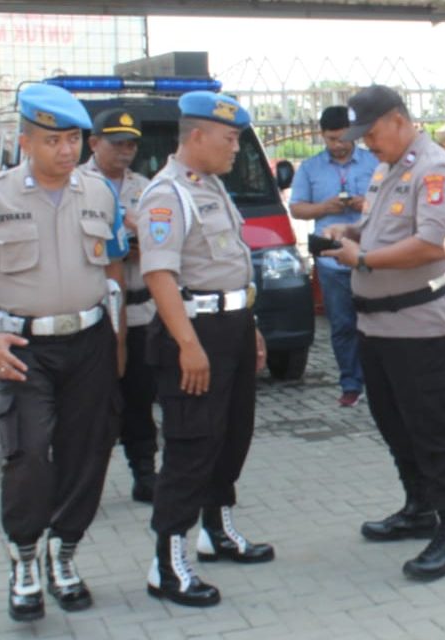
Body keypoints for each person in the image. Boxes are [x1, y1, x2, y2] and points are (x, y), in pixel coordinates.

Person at [0, 83, 128, 620]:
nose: (66, 151)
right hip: (23, 345)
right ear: (25, 141)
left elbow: (113, 267)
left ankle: (63, 555)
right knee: (27, 456)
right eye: (53, 140)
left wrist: (116, 344)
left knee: (86, 454)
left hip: (90, 340)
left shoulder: (98, 193)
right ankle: (24, 557)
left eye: (74, 139)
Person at [319, 85, 445, 582]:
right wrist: (352, 235)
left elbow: (433, 243)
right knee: (395, 425)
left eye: (372, 132)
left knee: (435, 431)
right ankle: (418, 507)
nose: (367, 144)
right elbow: (387, 230)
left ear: (399, 119)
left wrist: (361, 258)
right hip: (377, 325)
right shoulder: (388, 167)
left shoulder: (436, 168)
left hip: (417, 327)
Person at [136, 91, 274, 608]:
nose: (236, 148)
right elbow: (160, 275)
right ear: (197, 136)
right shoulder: (167, 194)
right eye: (230, 138)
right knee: (192, 444)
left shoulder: (212, 186)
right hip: (194, 333)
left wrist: (250, 326)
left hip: (232, 326)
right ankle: (167, 564)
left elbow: (231, 266)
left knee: (232, 435)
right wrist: (188, 345)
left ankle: (216, 529)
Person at [81, 109, 157, 503]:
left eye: (131, 143)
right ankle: (80, 480)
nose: (126, 151)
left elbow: (162, 244)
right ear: (93, 143)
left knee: (139, 398)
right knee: (91, 402)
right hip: (94, 315)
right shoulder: (74, 186)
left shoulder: (146, 187)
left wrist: (132, 241)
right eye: (117, 143)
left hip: (141, 310)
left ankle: (145, 473)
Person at [289, 106, 379, 408]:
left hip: (370, 256)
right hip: (330, 260)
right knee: (342, 325)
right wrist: (325, 208)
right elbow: (297, 208)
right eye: (331, 140)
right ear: (322, 136)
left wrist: (363, 203)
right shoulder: (310, 168)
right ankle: (351, 384)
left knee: (376, 322)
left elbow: (392, 203)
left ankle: (378, 382)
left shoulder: (375, 162)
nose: (337, 146)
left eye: (342, 139)